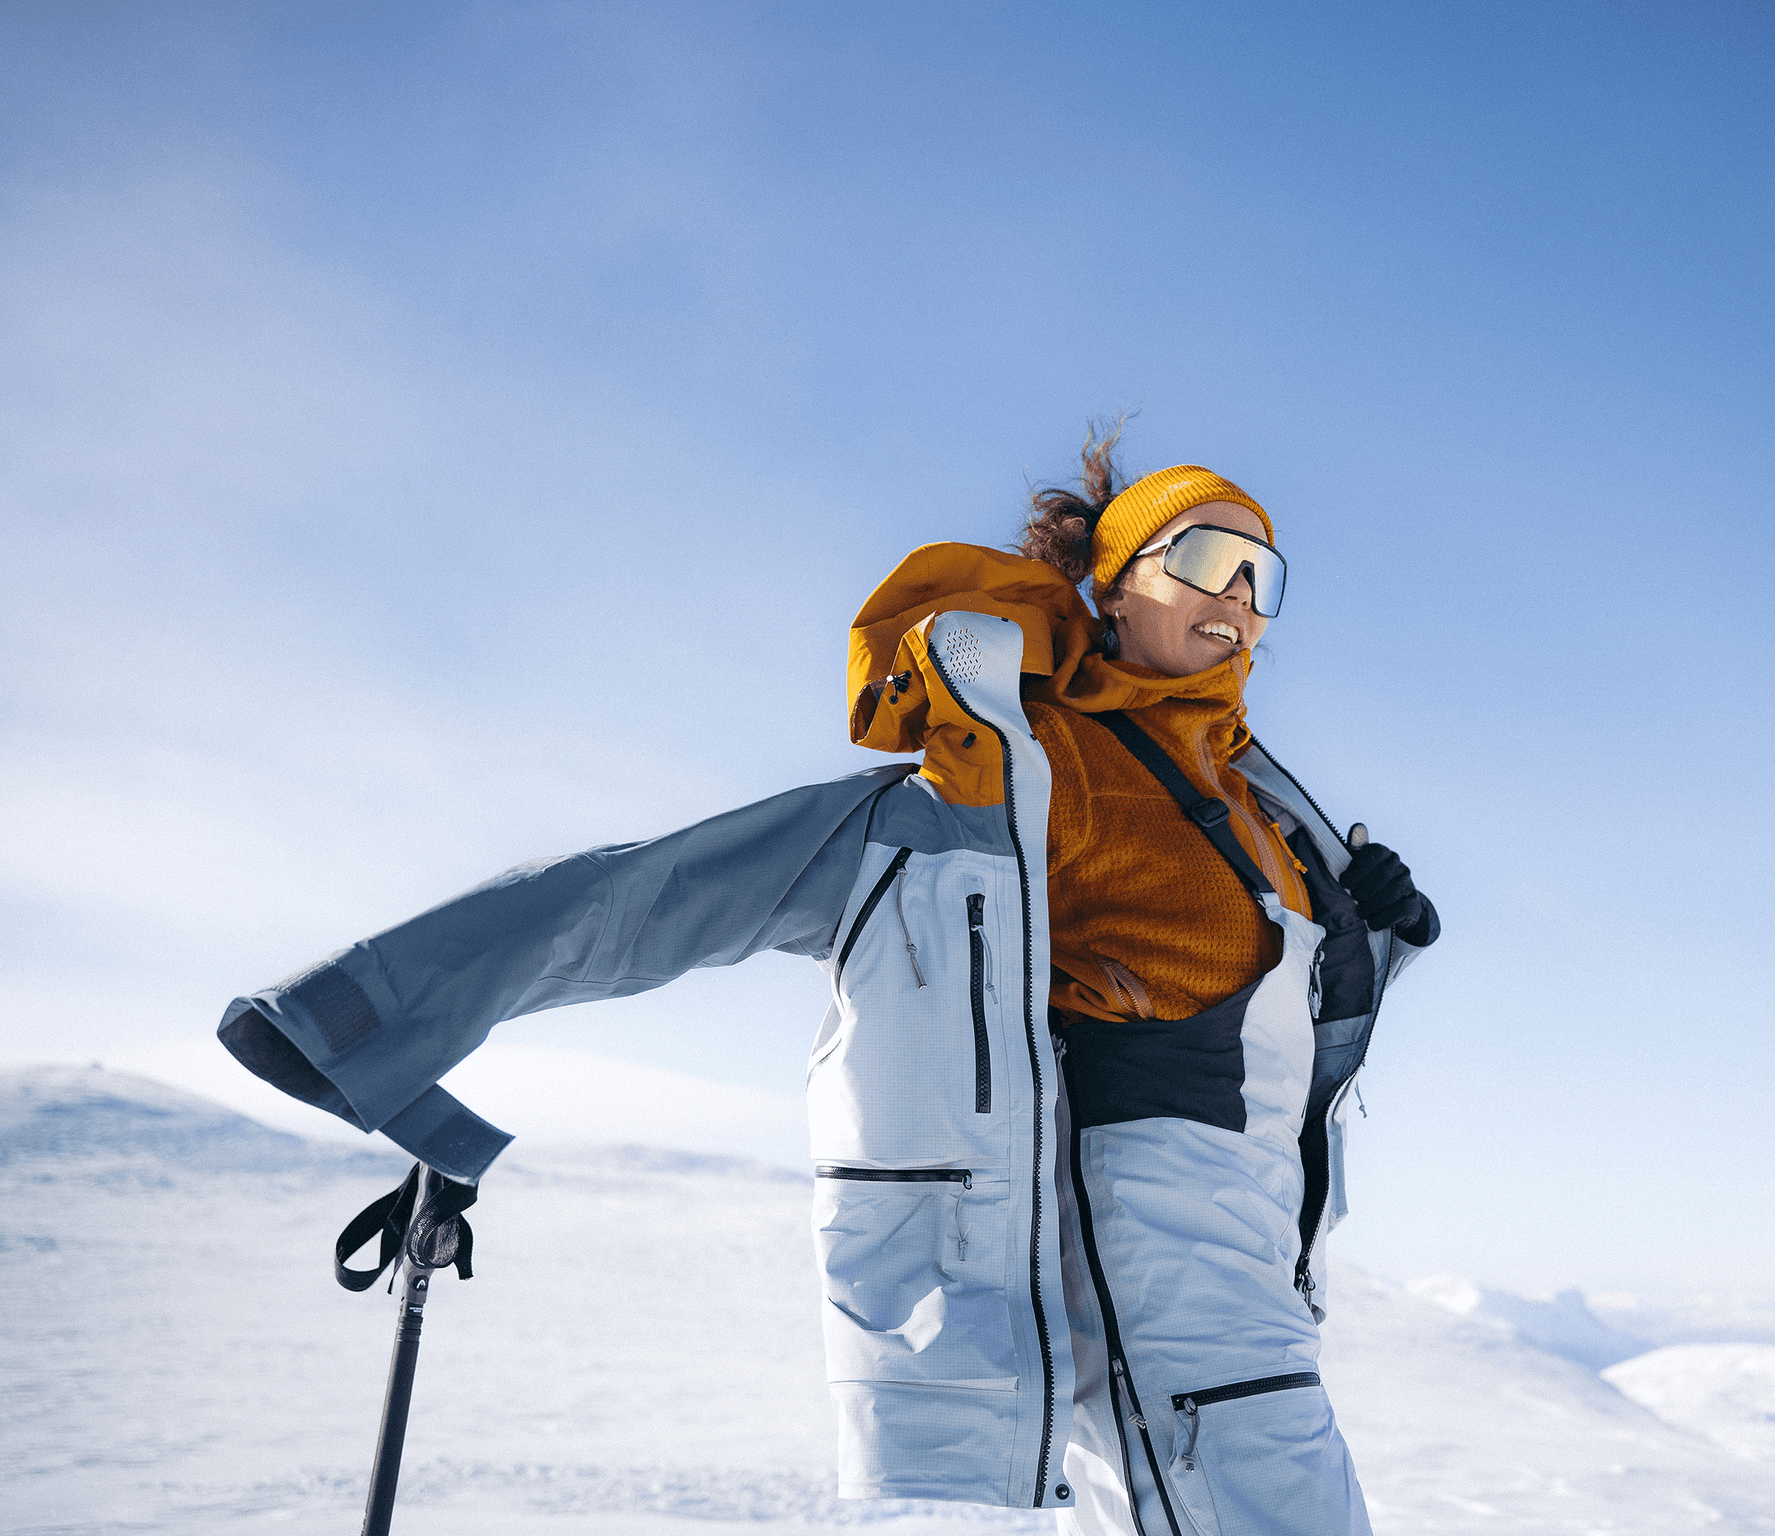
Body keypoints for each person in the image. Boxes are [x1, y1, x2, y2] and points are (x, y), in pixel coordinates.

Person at [218, 423, 1437, 1536]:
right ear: (1115, 584)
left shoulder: (1260, 805)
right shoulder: (1029, 767)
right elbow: (681, 887)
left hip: (1259, 1258)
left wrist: (1365, 935)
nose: (1238, 595)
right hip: (1145, 1241)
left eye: (1262, 577)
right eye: (1207, 554)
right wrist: (368, 1012)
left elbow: (1264, 1038)